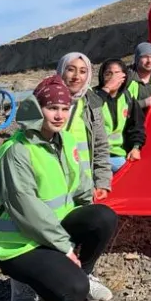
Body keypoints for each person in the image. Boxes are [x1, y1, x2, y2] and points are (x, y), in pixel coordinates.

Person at [0, 75, 117, 301]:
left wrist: (86, 220)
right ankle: (23, 280)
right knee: (72, 291)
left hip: (51, 227)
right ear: (37, 108)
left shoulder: (65, 140)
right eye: (52, 108)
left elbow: (81, 185)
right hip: (18, 240)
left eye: (65, 108)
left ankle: (82, 274)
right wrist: (65, 248)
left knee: (103, 217)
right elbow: (28, 211)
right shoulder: (18, 151)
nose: (59, 115)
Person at [56, 52, 111, 200]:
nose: (76, 76)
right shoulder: (47, 102)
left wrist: (102, 183)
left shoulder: (92, 103)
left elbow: (101, 146)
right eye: (70, 69)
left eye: (82, 71)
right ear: (61, 70)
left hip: (86, 187)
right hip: (55, 183)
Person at [94, 59, 147, 173]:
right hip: (96, 156)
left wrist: (136, 147)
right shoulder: (94, 96)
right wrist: (106, 89)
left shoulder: (127, 97)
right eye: (108, 74)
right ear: (102, 76)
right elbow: (89, 113)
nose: (113, 78)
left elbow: (137, 125)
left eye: (117, 74)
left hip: (121, 155)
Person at [126, 42, 151, 111]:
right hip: (133, 121)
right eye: (145, 56)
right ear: (137, 59)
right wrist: (144, 103)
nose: (149, 61)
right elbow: (119, 108)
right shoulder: (126, 79)